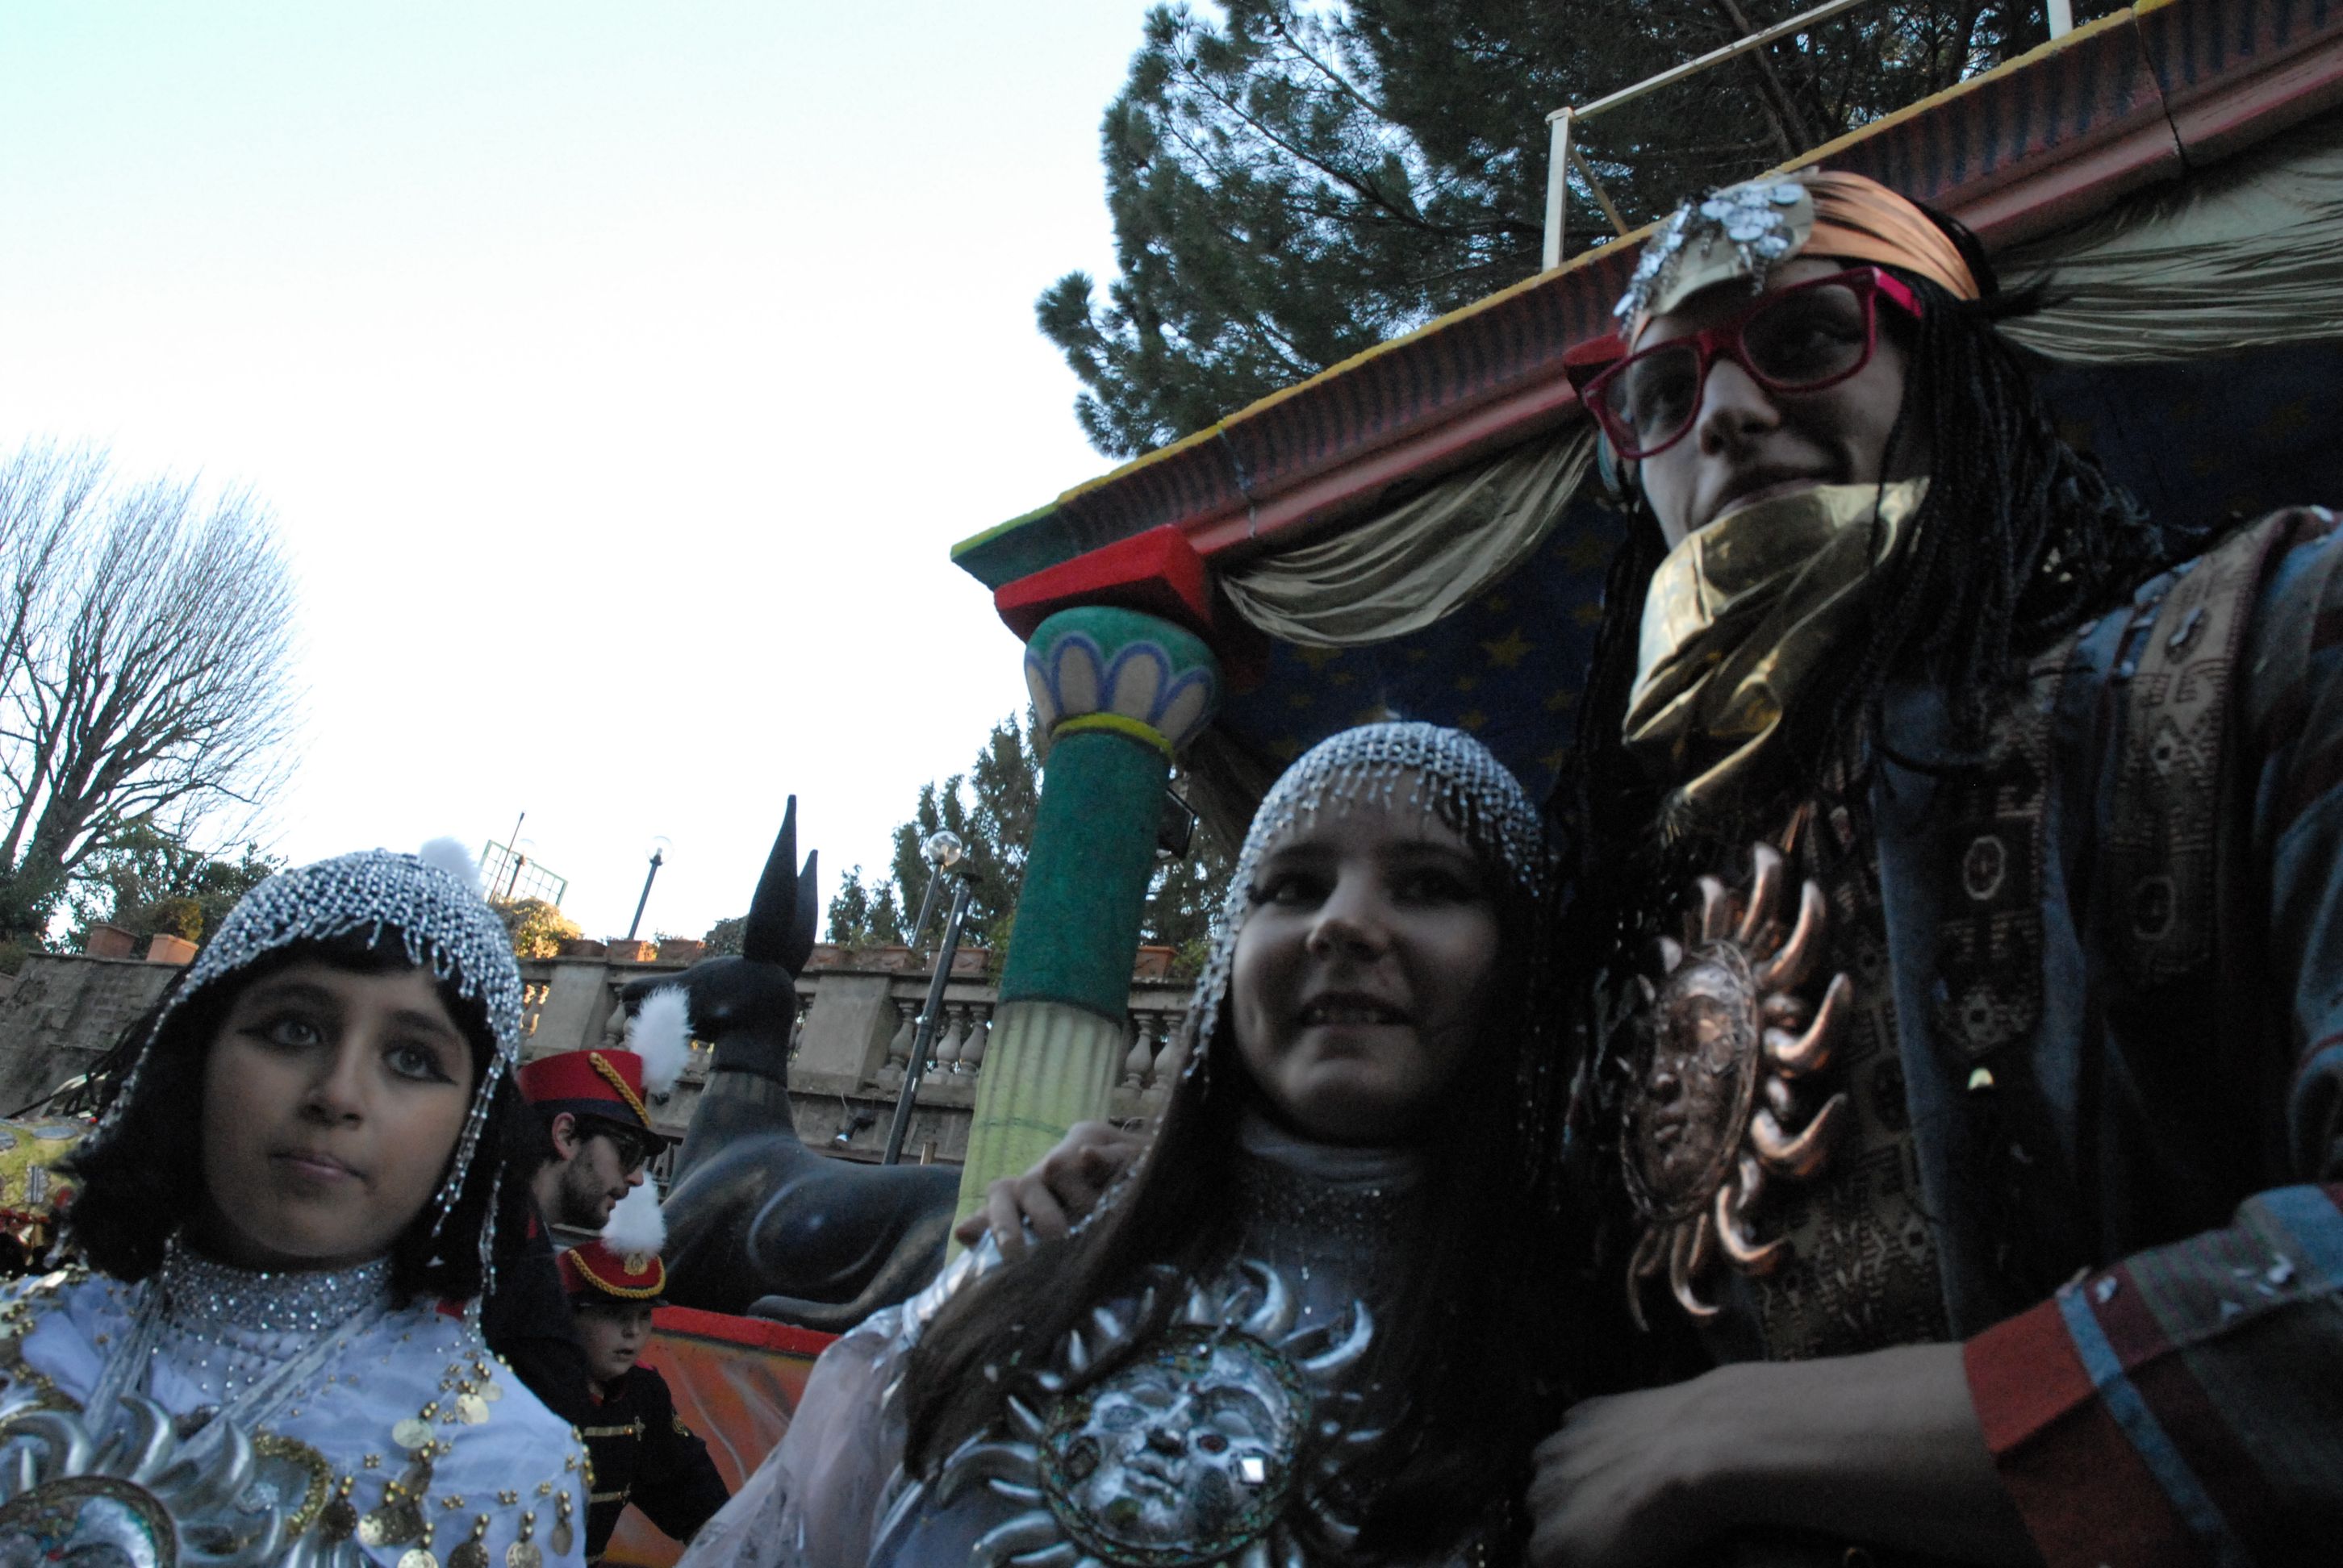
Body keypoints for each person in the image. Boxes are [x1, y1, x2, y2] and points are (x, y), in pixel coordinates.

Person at [1524, 169, 2343, 1564]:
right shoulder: (1616, 916)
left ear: (1947, 371)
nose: (1724, 412)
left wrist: (1730, 1433)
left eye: (1803, 338)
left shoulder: (2263, 640)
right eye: (1659, 393)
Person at [679, 722, 1571, 1567]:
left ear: (1522, 958)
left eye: (1429, 887)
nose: (1341, 924)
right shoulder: (1032, 1267)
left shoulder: (1570, 1380)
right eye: (1294, 887)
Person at [0, 843, 590, 1566]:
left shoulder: (502, 1471)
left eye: (411, 1059)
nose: (338, 1094)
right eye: (295, 1030)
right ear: (199, 1054)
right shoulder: (25, 1340)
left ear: (470, 1131)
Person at [491, 997, 687, 1429]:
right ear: (565, 1136)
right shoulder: (495, 1244)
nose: (635, 1179)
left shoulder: (517, 1240)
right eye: (627, 1153)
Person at [557, 1183, 729, 1564]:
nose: (633, 1332)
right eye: (614, 1315)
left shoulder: (642, 1394)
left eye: (643, 1316)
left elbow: (698, 1501)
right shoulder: (527, 1385)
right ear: (568, 1316)